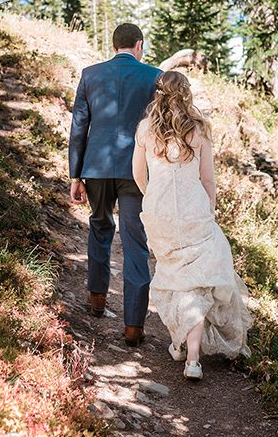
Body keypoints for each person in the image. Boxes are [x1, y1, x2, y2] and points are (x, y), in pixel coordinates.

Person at [133, 70, 252, 380]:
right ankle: (193, 359)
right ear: (186, 94)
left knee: (174, 276)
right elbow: (208, 178)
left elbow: (138, 175)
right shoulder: (198, 130)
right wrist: (209, 209)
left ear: (157, 94)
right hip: (193, 210)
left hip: (158, 212)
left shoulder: (145, 129)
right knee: (196, 282)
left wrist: (154, 198)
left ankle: (179, 343)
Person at [68, 22, 162, 346]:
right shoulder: (154, 76)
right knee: (135, 242)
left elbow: (79, 126)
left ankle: (96, 299)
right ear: (139, 45)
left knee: (99, 226)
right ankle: (133, 327)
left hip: (96, 167)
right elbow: (159, 128)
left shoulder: (90, 74)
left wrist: (75, 175)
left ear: (114, 45)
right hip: (137, 170)